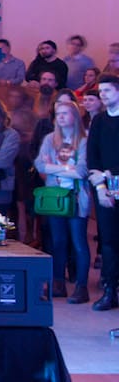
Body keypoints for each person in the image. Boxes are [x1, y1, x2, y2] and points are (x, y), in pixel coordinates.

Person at [34, 98, 91, 304]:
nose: (61, 117)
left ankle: (81, 286)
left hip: (76, 197)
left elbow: (83, 170)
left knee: (78, 243)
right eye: (58, 114)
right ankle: (57, 283)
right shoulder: (50, 139)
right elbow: (40, 164)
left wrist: (56, 168)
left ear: (75, 116)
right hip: (55, 197)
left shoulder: (84, 140)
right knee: (57, 242)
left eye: (65, 113)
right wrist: (68, 169)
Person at [87, 75, 119, 311]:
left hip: (113, 179)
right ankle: (110, 290)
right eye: (101, 91)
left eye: (107, 90)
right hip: (104, 189)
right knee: (108, 241)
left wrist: (107, 174)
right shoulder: (98, 120)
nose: (103, 95)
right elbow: (92, 156)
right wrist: (100, 187)